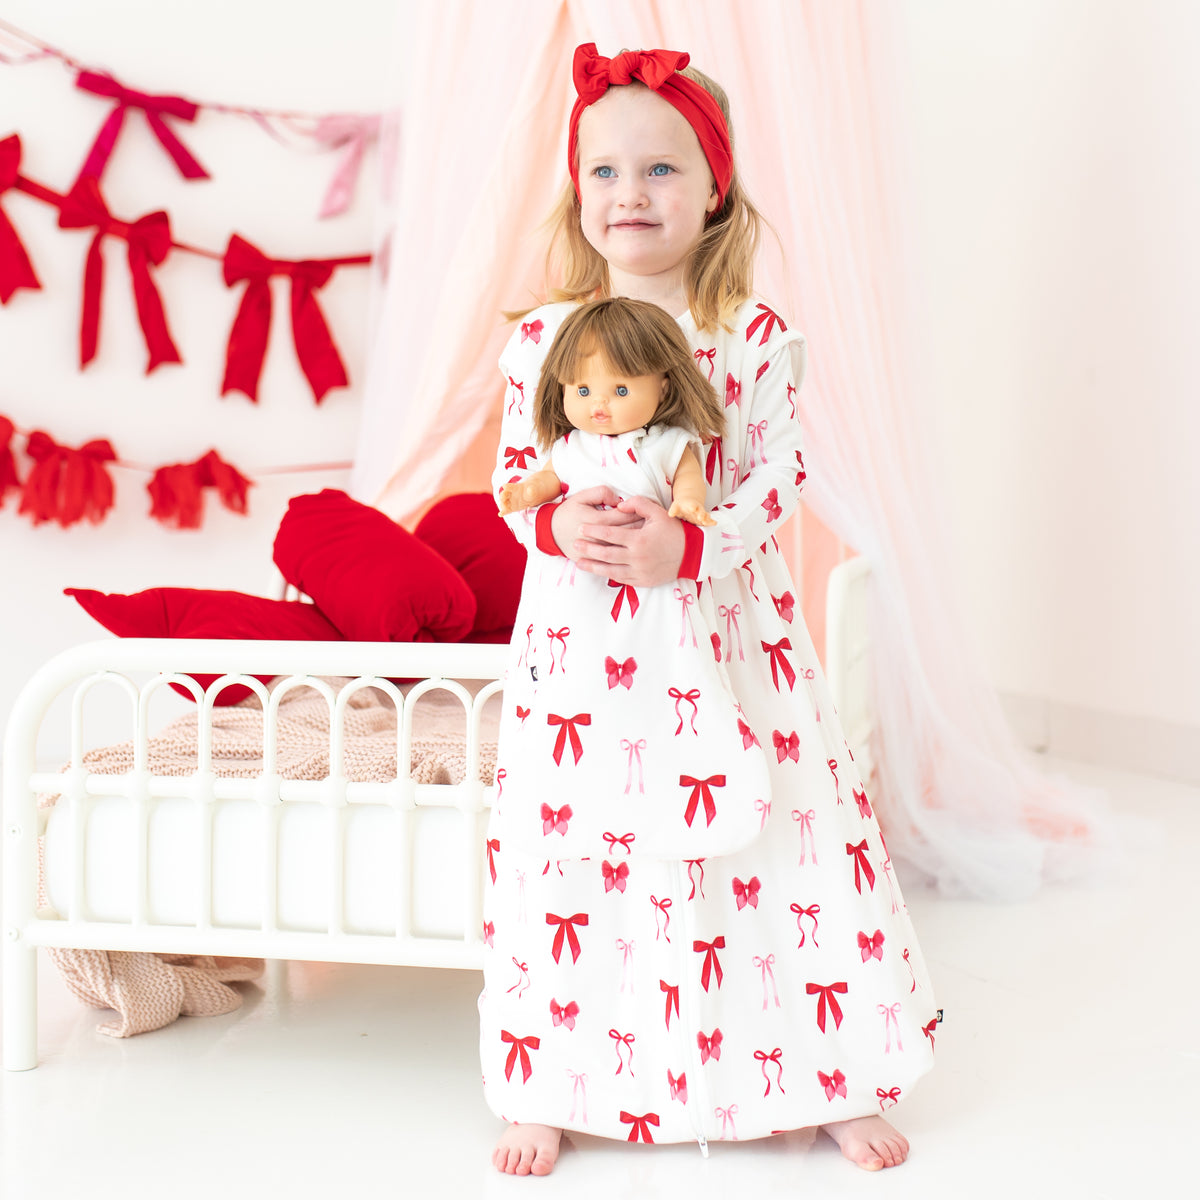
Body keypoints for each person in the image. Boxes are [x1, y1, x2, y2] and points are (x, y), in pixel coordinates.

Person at [482, 42, 937, 1177]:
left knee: (774, 834)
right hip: (585, 653)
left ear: (716, 186)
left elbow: (776, 480)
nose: (629, 195)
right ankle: (547, 1079)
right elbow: (512, 475)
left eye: (661, 170)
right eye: (604, 173)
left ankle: (831, 1073)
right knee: (575, 845)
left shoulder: (755, 339)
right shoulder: (541, 339)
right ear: (577, 191)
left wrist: (691, 542)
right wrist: (556, 528)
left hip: (726, 642)